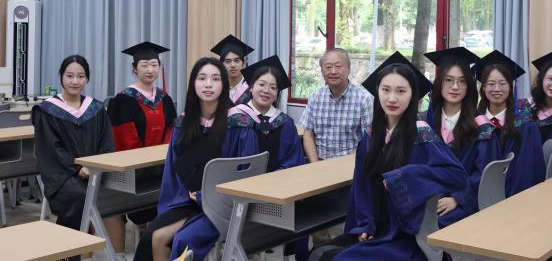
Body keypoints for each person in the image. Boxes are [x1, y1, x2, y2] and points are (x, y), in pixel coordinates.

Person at [311, 51, 468, 261]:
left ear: (412, 95)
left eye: (401, 91)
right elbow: (362, 187)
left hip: (409, 234)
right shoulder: (371, 138)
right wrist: (365, 224)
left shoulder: (421, 134)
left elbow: (457, 175)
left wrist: (407, 176)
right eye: (386, 90)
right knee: (323, 254)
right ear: (377, 91)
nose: (392, 98)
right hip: (377, 228)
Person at [133, 58, 259, 261]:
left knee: (180, 240)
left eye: (215, 79)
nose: (208, 84)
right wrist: (184, 199)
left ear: (224, 85)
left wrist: (204, 197)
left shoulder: (239, 123)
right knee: (153, 237)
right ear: (193, 83)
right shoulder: (184, 123)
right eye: (202, 78)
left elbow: (247, 175)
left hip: (223, 206)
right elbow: (173, 174)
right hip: (186, 201)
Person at [234, 55, 308, 259]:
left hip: (277, 195)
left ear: (277, 93)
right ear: (251, 87)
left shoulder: (285, 124)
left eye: (273, 87)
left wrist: (272, 185)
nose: (266, 90)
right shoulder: (235, 119)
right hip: (239, 196)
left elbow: (293, 162)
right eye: (261, 84)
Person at [106, 42, 178, 256]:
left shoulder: (165, 98)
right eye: (144, 65)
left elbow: (172, 131)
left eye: (154, 65)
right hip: (135, 170)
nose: (150, 70)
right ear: (134, 69)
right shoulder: (123, 100)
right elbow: (123, 139)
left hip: (162, 166)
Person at [32, 55, 114, 235]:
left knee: (114, 196)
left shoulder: (96, 109)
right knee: (79, 198)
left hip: (95, 172)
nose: (75, 81)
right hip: (62, 175)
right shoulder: (47, 110)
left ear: (87, 78)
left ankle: (78, 243)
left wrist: (95, 166)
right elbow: (51, 149)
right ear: (61, 76)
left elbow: (106, 142)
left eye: (80, 76)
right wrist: (77, 168)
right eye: (69, 76)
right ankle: (74, 245)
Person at [423, 47, 501, 228]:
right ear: (439, 83)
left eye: (462, 81)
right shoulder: (424, 122)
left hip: (463, 202)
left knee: (436, 224)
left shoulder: (482, 128)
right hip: (427, 198)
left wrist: (458, 198)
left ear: (468, 86)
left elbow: (484, 173)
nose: (455, 87)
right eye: (449, 80)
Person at [474, 50, 545, 196]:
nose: (497, 89)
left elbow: (526, 172)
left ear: (510, 87)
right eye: (491, 84)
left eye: (503, 83)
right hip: (478, 194)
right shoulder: (476, 122)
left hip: (515, 197)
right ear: (483, 87)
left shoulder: (524, 124)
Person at [300, 48, 373, 162]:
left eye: (338, 66)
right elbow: (308, 134)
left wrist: (345, 166)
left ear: (349, 69)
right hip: (319, 162)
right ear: (322, 71)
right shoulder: (315, 97)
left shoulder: (364, 99)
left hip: (351, 164)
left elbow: (367, 139)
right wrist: (315, 164)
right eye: (328, 67)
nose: (333, 71)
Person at [210, 34, 255, 105]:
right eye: (228, 61)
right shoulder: (216, 89)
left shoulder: (252, 89)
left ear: (243, 64)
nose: (232, 65)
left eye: (236, 61)